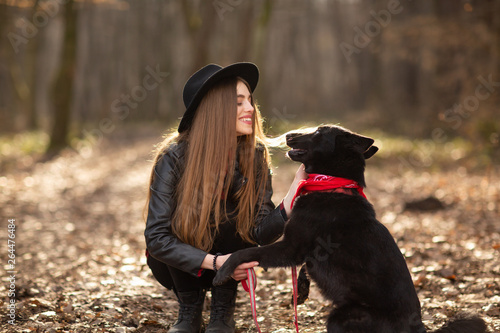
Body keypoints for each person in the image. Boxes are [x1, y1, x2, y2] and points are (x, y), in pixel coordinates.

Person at [144, 62, 306, 333]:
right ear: (215, 110)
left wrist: (291, 200)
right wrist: (218, 263)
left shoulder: (254, 156)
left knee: (236, 219)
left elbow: (258, 232)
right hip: (180, 265)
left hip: (230, 257)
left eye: (250, 101)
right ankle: (189, 308)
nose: (250, 109)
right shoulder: (173, 157)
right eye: (238, 102)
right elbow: (157, 237)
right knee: (182, 220)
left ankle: (223, 309)